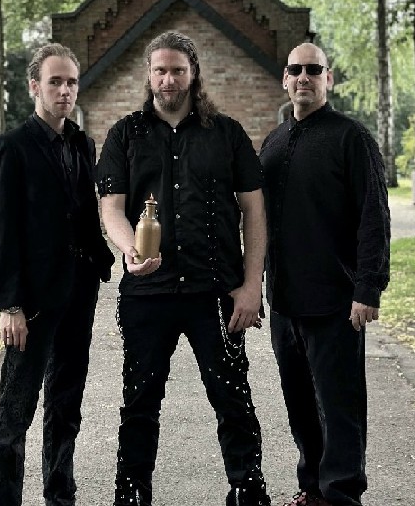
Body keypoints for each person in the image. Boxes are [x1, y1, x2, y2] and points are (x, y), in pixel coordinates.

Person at [96, 31, 271, 506]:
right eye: (160, 70)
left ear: (193, 73)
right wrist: (130, 249)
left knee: (233, 399)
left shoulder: (227, 133)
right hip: (146, 294)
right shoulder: (124, 134)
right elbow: (111, 208)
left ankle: (248, 492)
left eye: (177, 70)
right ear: (149, 75)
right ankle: (131, 495)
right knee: (139, 403)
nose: (168, 79)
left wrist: (251, 286)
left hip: (215, 291)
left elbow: (254, 211)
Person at [259, 42, 390, 506]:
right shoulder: (273, 142)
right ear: (285, 78)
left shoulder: (351, 138)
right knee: (299, 406)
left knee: (339, 408)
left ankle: (342, 495)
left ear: (328, 79)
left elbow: (374, 215)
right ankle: (313, 490)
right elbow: (257, 222)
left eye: (314, 70)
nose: (304, 77)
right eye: (295, 69)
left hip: (335, 301)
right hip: (285, 301)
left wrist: (368, 287)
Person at [0, 43, 115, 506]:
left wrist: (104, 259)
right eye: (55, 82)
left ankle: (61, 496)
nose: (64, 91)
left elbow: (84, 214)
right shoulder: (12, 148)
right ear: (34, 87)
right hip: (33, 301)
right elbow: (4, 234)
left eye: (71, 82)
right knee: (15, 412)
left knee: (66, 405)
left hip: (78, 292)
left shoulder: (82, 143)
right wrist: (10, 305)